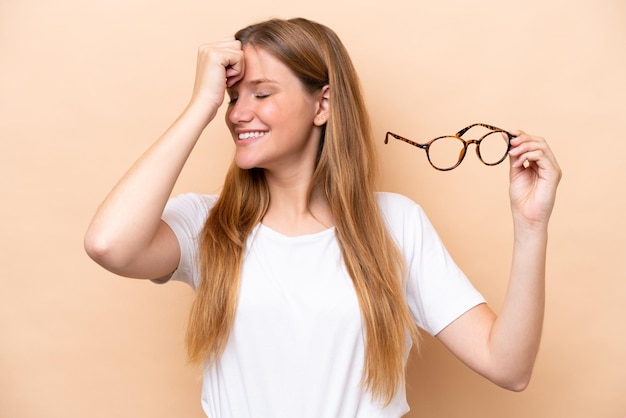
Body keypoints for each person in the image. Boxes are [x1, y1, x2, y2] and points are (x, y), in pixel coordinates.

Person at [84, 17, 561, 418]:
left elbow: (509, 366)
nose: (238, 114)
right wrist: (200, 105)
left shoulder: (395, 224)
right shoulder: (208, 223)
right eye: (233, 98)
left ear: (323, 104)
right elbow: (109, 244)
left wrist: (531, 227)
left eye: (262, 93)